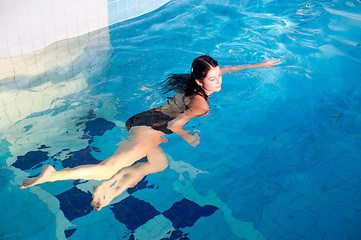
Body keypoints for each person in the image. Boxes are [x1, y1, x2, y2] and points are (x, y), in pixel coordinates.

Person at [20, 55, 280, 210]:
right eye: (213, 79)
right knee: (108, 167)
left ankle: (105, 189)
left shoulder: (198, 82)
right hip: (149, 129)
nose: (219, 81)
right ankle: (53, 175)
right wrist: (188, 137)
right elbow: (177, 125)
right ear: (200, 81)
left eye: (218, 75)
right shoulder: (201, 104)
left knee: (159, 163)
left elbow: (228, 69)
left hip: (144, 119)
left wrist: (259, 65)